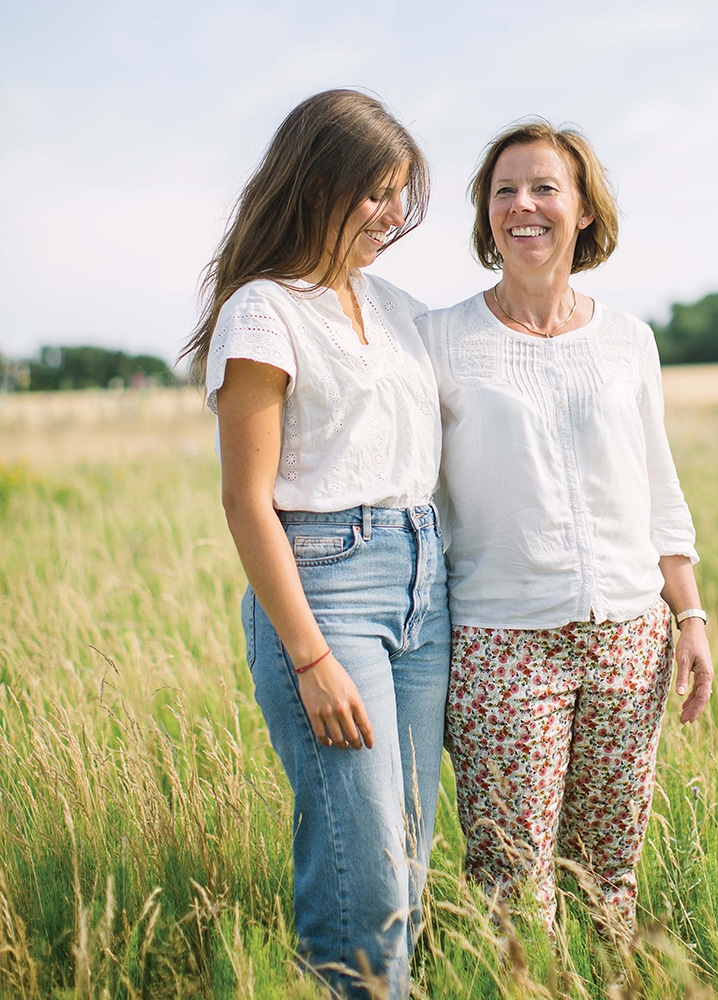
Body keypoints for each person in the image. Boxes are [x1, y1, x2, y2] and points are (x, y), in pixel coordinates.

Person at [177, 90, 449, 1000]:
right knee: (362, 875)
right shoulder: (265, 310)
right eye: (373, 193)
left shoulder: (397, 306)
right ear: (316, 183)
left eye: (401, 194)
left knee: (406, 860)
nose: (392, 216)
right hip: (328, 586)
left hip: (425, 580)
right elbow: (246, 502)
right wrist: (310, 656)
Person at [419, 119, 714, 938]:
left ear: (583, 210)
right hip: (501, 641)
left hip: (629, 638)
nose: (524, 206)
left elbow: (660, 489)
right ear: (486, 214)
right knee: (512, 884)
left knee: (610, 874)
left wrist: (689, 616)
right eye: (504, 190)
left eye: (546, 187)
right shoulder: (440, 340)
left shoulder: (629, 341)